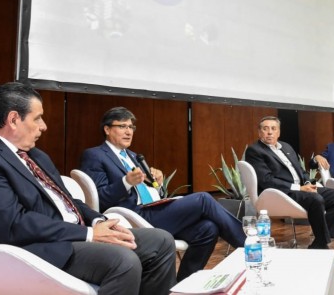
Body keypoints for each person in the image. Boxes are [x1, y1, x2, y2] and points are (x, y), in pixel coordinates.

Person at [0, 82, 176, 295]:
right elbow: (13, 224)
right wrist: (88, 234)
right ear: (13, 119)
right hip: (37, 248)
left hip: (72, 234)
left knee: (162, 241)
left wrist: (99, 222)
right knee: (124, 261)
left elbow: (69, 202)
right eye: (38, 118)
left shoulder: (36, 155)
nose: (44, 126)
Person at [80, 107, 246, 281]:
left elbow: (148, 190)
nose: (128, 131)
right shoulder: (95, 155)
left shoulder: (134, 156)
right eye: (122, 126)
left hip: (153, 208)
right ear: (107, 129)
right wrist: (126, 182)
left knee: (207, 229)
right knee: (203, 198)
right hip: (133, 216)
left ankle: (182, 286)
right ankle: (248, 247)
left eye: (131, 127)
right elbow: (99, 199)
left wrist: (157, 184)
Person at [244, 116, 334, 257]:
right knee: (315, 199)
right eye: (265, 128)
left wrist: (306, 184)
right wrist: (298, 188)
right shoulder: (255, 151)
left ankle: (321, 240)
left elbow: (300, 171)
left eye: (273, 129)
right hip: (280, 193)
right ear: (259, 132)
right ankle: (321, 244)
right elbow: (266, 180)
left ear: (279, 132)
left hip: (300, 189)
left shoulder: (286, 147)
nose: (269, 132)